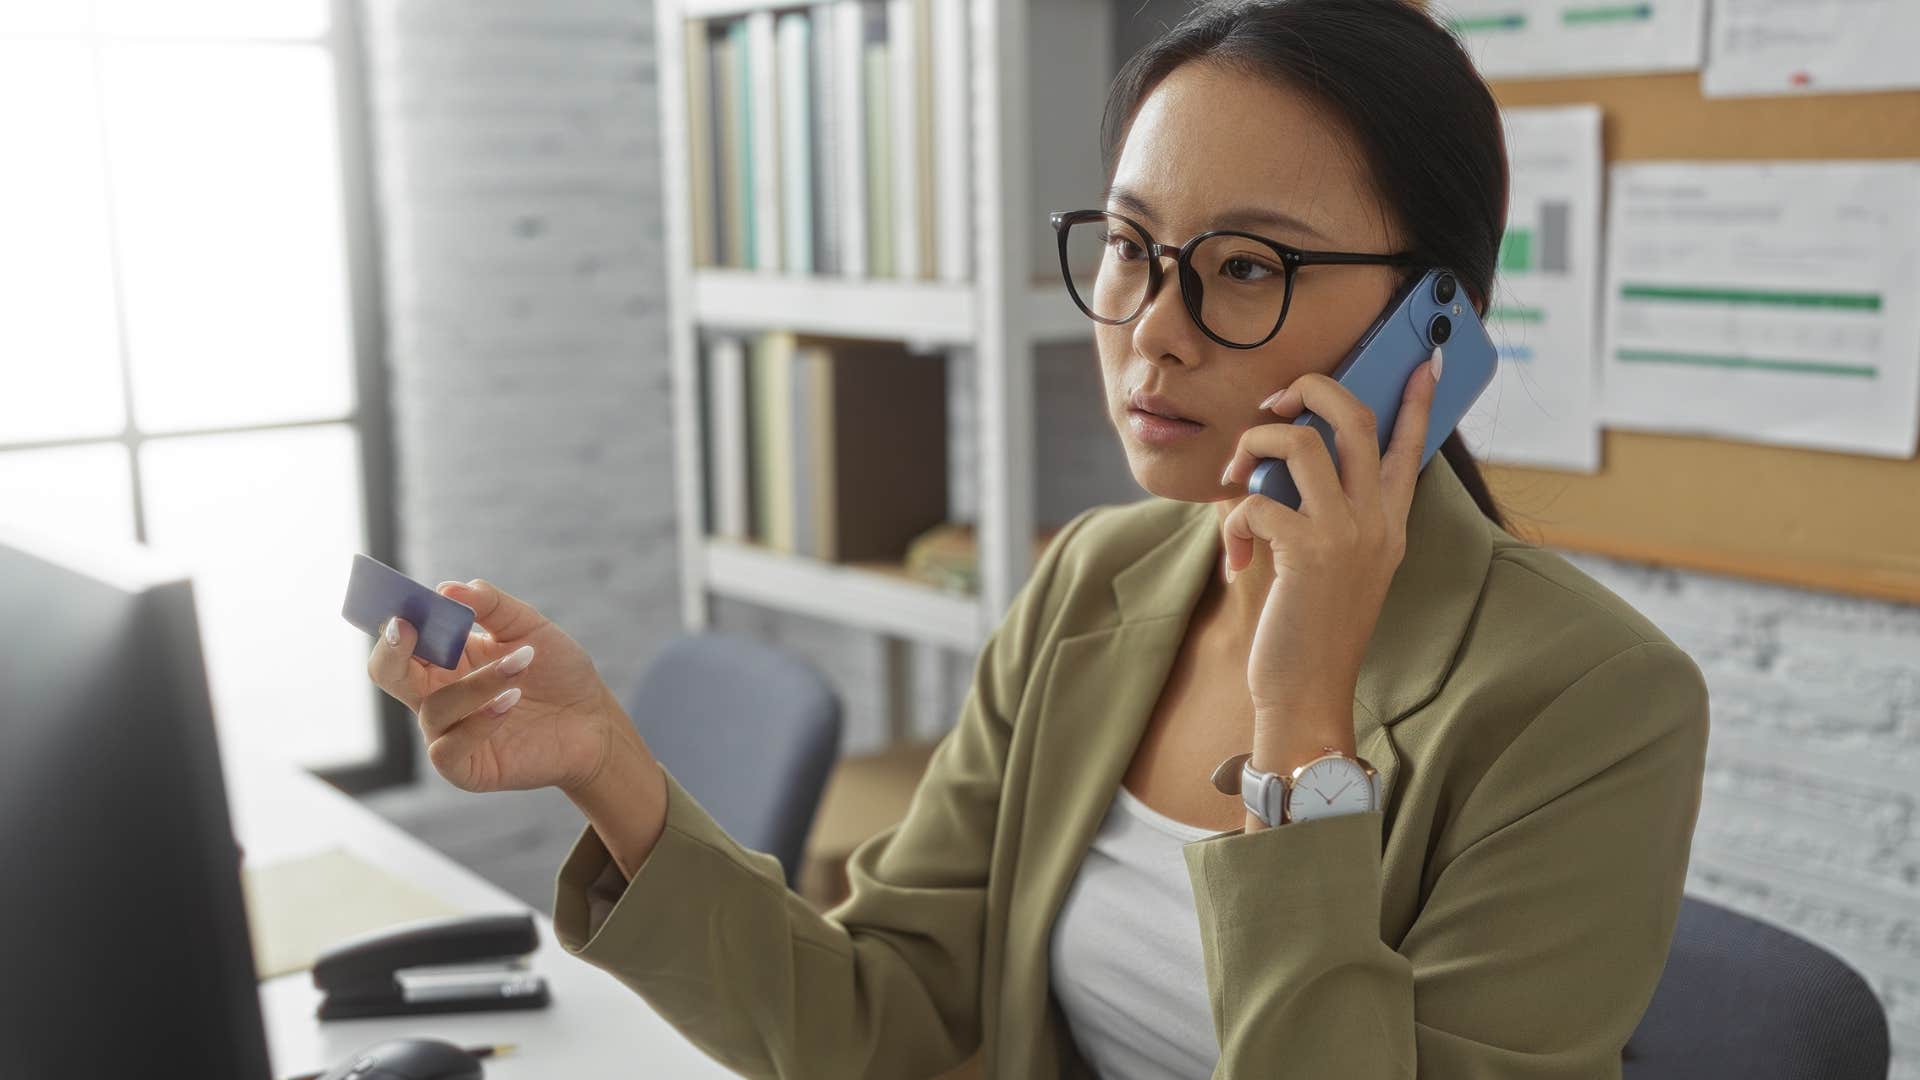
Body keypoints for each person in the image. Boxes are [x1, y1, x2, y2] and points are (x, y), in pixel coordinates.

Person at [366, 0, 1710, 1075]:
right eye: (1130, 245)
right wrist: (608, 766)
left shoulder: (1591, 703)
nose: (1153, 327)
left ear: (1437, 324)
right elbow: (878, 1015)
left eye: (1248, 266)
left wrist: (1301, 719)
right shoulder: (1097, 581)